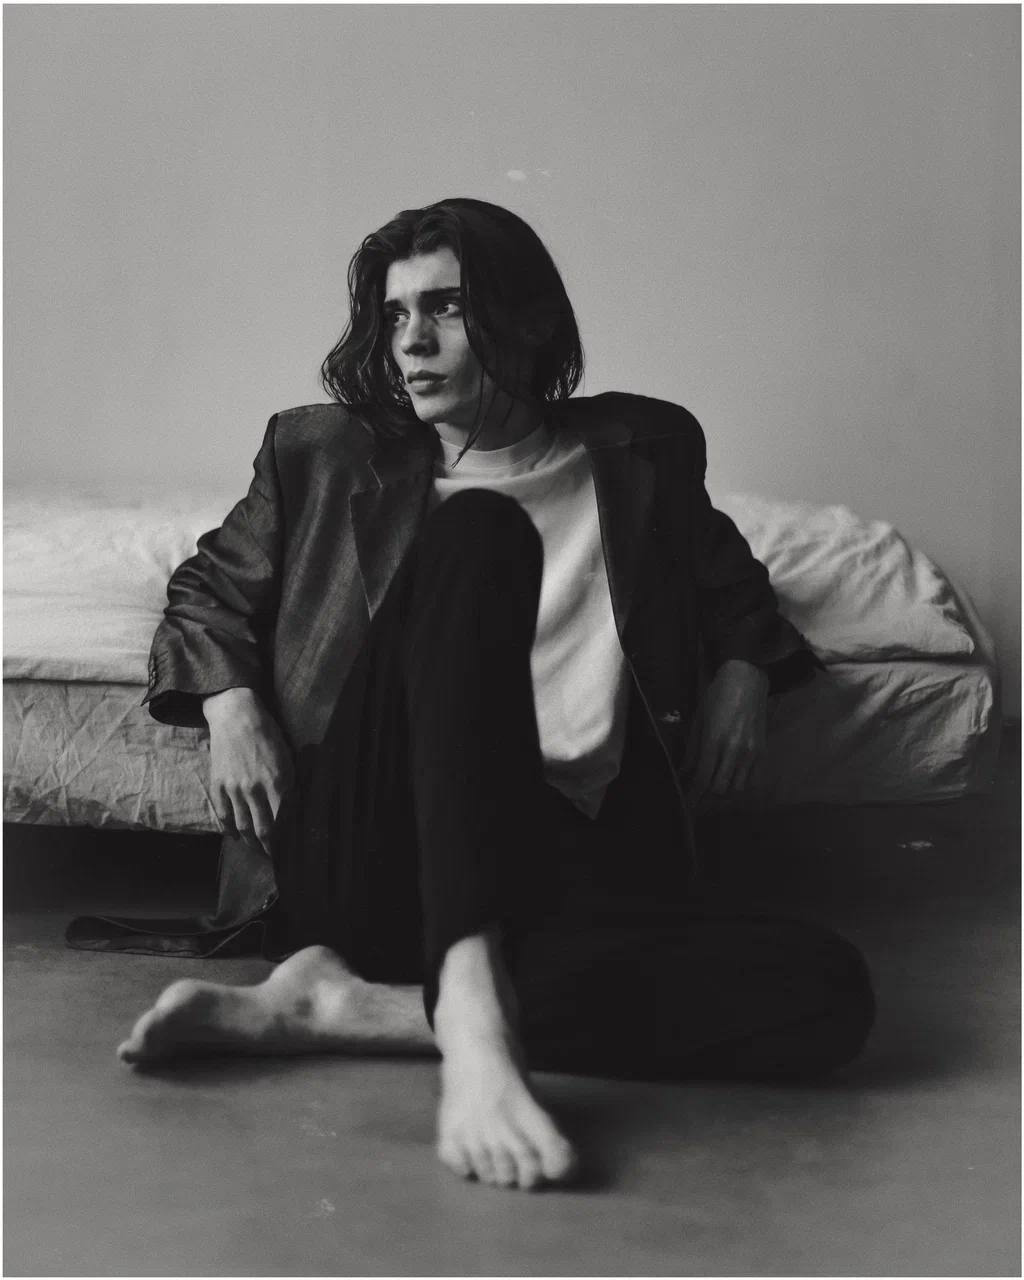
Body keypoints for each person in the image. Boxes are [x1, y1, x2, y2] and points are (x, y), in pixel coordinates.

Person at [68, 198, 874, 1192]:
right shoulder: (323, 452)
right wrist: (230, 703)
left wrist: (745, 670)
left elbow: (733, 586)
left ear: (527, 319)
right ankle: (476, 1017)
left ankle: (353, 1009)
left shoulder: (644, 451)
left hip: (566, 860)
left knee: (828, 990)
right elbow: (205, 593)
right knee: (482, 532)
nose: (411, 341)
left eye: (445, 307)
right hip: (373, 848)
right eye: (394, 314)